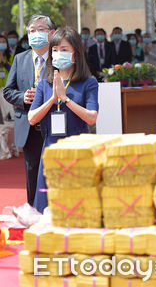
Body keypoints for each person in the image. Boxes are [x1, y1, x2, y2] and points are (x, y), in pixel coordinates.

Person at [27, 26, 99, 212]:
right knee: (47, 204)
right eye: (55, 50)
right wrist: (53, 98)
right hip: (51, 149)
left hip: (77, 149)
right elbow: (32, 118)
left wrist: (65, 99)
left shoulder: (88, 83)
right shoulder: (44, 84)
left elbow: (92, 117)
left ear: (76, 53)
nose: (59, 54)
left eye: (64, 50)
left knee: (76, 204)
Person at [3, 14, 56, 206]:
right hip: (29, 124)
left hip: (54, 123)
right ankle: (34, 212)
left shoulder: (59, 57)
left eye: (41, 30)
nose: (36, 34)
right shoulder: (20, 59)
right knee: (32, 171)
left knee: (55, 170)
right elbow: (8, 90)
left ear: (51, 33)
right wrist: (22, 97)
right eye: (32, 31)